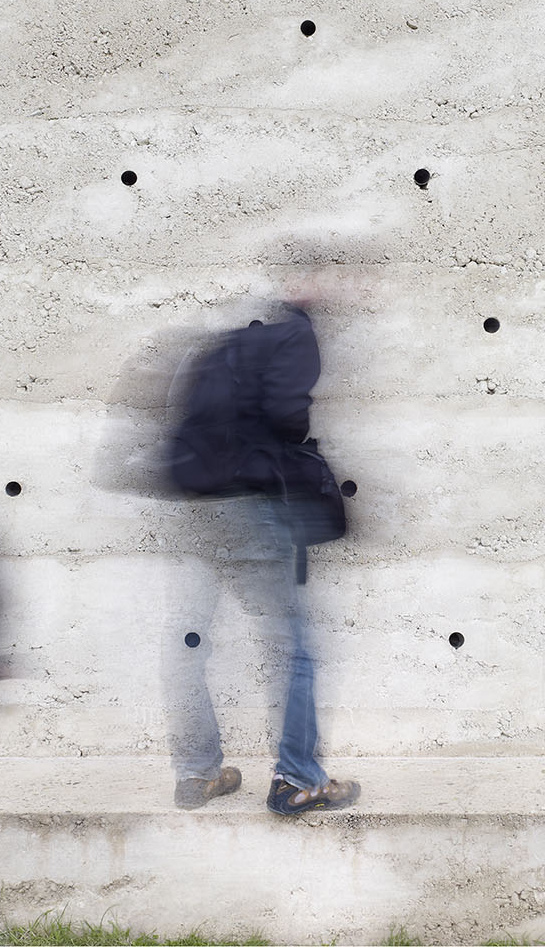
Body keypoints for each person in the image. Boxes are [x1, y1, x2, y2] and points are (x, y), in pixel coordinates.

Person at [165, 297, 360, 816]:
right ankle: (296, 778)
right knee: (294, 649)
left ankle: (198, 774)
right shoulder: (296, 334)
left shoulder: (224, 347)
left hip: (197, 511)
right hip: (251, 507)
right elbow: (285, 413)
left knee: (190, 641)